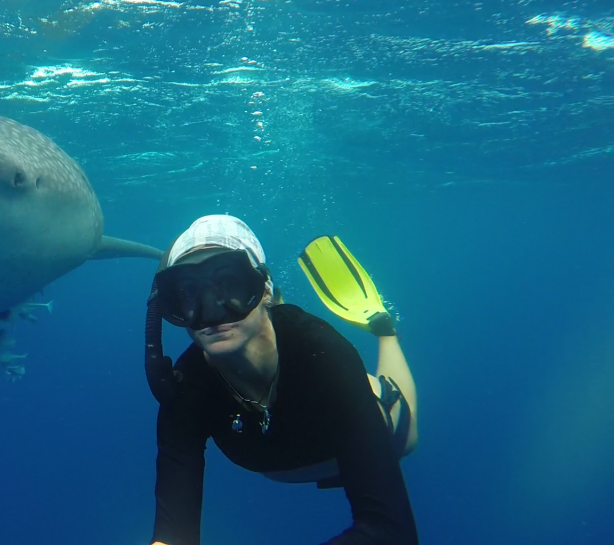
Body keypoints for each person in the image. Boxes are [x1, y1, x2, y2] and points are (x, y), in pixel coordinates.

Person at [143, 215, 419, 545]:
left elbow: (392, 531)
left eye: (230, 285)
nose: (211, 311)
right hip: (284, 467)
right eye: (189, 294)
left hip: (380, 427)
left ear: (263, 289)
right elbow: (172, 538)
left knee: (405, 432)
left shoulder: (322, 351)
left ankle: (382, 327)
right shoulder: (186, 388)